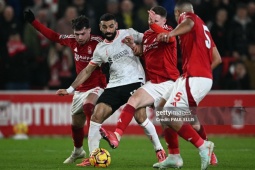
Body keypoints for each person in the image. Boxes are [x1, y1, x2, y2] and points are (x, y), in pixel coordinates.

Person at [56, 13, 166, 166]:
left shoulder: (129, 33)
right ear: (100, 28)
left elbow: (149, 41)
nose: (108, 29)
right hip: (114, 85)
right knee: (96, 115)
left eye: (111, 26)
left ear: (116, 25)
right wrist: (70, 89)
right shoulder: (100, 48)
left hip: (134, 81)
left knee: (140, 116)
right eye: (105, 27)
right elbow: (87, 71)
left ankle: (159, 150)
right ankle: (94, 156)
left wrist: (137, 47)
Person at [24, 10, 107, 164]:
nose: (80, 38)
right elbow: (53, 36)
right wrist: (34, 22)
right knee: (76, 125)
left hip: (97, 85)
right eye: (77, 34)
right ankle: (78, 151)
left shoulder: (99, 42)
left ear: (89, 30)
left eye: (83, 34)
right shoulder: (72, 41)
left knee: (89, 107)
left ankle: (94, 152)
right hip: (80, 88)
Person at [99, 5, 179, 163]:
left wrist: (153, 25)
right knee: (135, 104)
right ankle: (118, 135)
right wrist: (133, 47)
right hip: (154, 83)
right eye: (150, 19)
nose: (151, 22)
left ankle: (203, 145)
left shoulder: (169, 31)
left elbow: (168, 38)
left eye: (155, 20)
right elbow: (144, 52)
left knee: (178, 123)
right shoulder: (148, 35)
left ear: (164, 20)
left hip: (169, 82)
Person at [148, 1, 222, 170]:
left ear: (177, 13)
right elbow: (217, 58)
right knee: (162, 108)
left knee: (169, 114)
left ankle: (204, 146)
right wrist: (202, 70)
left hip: (195, 78)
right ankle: (174, 156)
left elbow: (186, 23)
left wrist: (171, 34)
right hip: (192, 77)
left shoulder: (187, 18)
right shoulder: (203, 28)